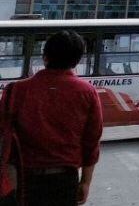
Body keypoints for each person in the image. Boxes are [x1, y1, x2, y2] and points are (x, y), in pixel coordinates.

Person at [0, 30, 102, 205]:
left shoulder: (15, 90)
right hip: (65, 181)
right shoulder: (88, 93)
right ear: (77, 61)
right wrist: (85, 182)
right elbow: (91, 142)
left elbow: (3, 133)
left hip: (21, 181)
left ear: (45, 56)